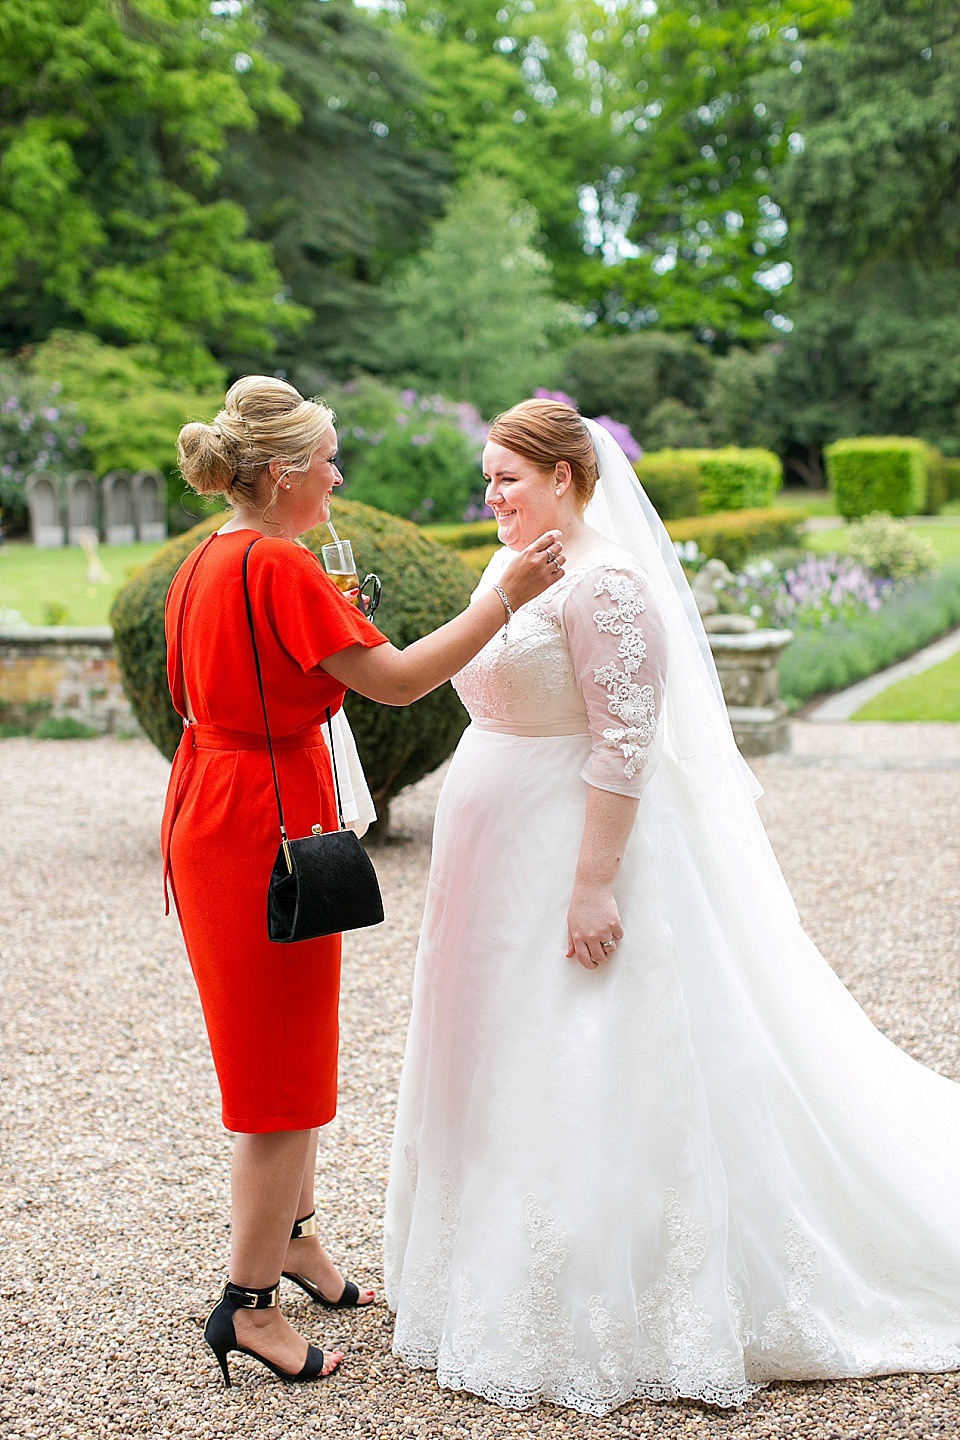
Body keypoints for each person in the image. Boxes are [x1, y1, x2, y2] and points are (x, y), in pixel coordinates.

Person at [384, 398, 960, 1416]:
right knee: (505, 1052)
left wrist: (594, 881)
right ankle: (500, 1261)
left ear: (566, 477)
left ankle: (624, 1292)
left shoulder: (606, 583)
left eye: (507, 478)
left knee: (591, 1048)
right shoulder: (511, 567)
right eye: (487, 479)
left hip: (570, 848)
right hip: (494, 856)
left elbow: (622, 740)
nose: (492, 496)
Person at [161, 377, 565, 1389]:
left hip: (212, 805)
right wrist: (506, 597)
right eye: (330, 459)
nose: (340, 474)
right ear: (287, 471)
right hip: (261, 823)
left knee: (289, 1052)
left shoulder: (204, 556)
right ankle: (247, 1306)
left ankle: (295, 1242)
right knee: (276, 1088)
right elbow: (394, 682)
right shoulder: (280, 563)